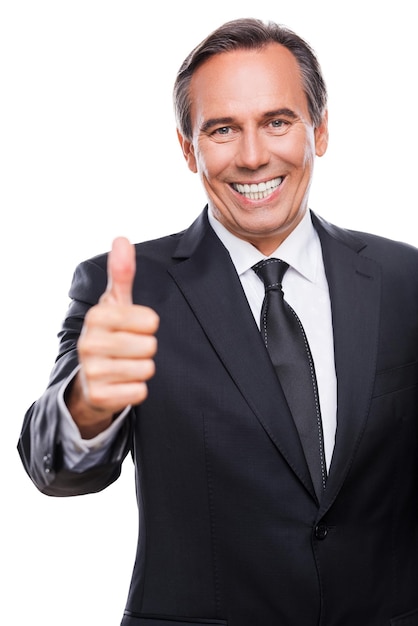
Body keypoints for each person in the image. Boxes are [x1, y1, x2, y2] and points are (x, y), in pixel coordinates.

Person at [18, 17, 418, 626]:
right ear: (188, 149)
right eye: (223, 129)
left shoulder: (404, 279)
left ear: (321, 129)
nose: (255, 157)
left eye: (277, 122)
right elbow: (54, 469)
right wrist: (88, 404)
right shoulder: (124, 289)